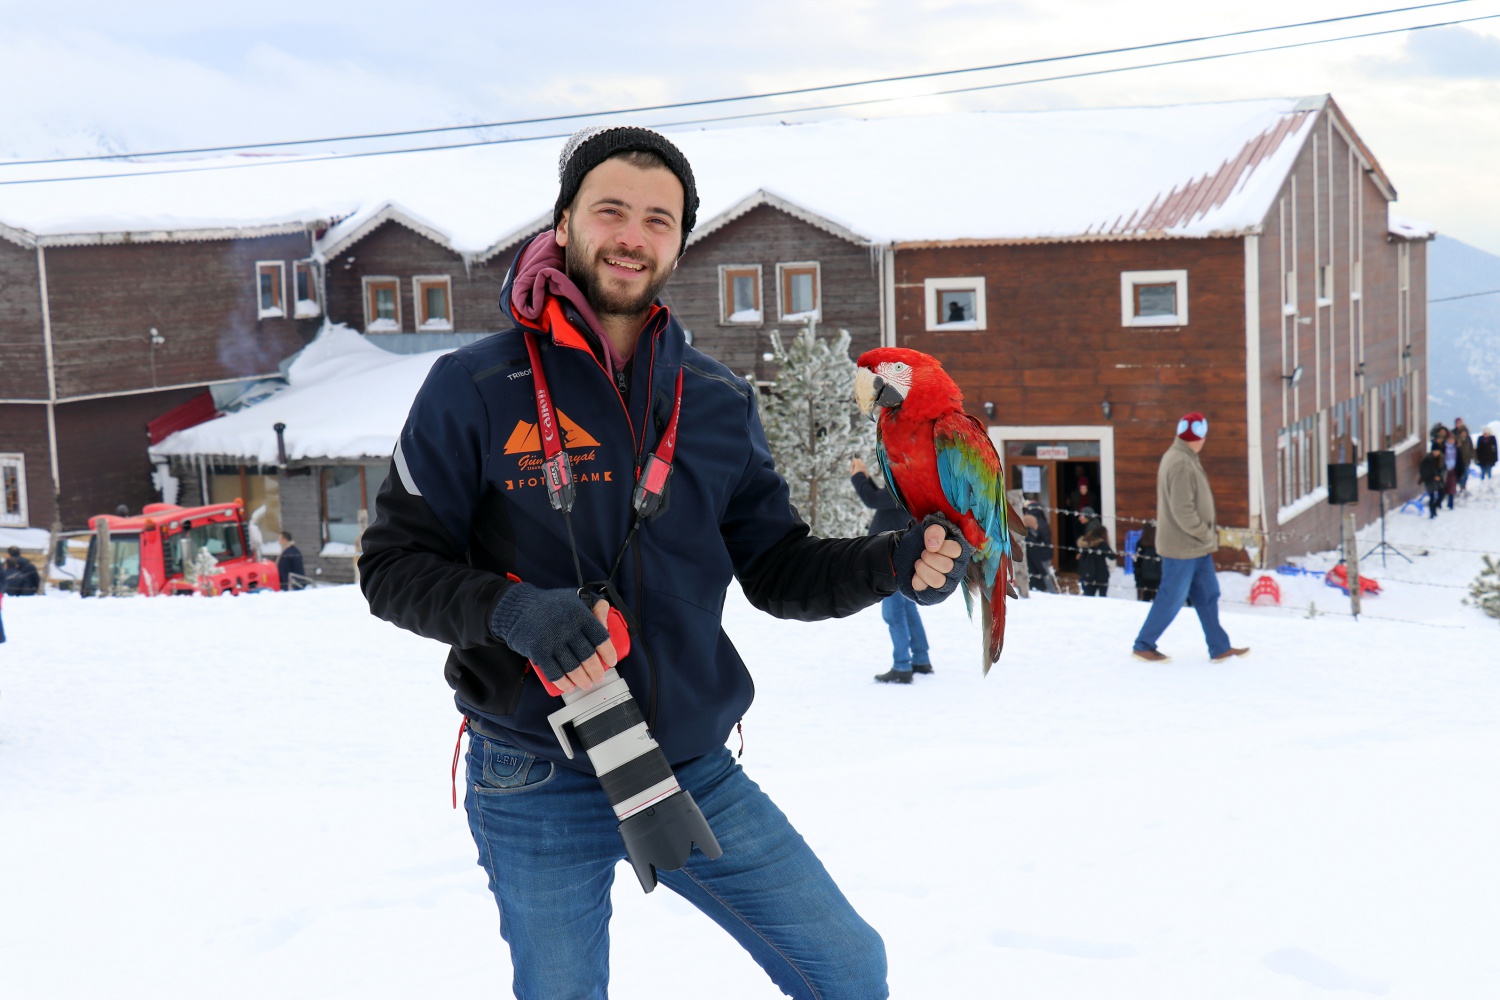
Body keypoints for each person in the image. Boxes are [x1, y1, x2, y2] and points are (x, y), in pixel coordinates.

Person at [358, 125, 969, 1000]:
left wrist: (891, 563)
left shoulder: (715, 400)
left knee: (847, 966)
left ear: (680, 240)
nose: (632, 236)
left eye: (659, 218)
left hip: (689, 761)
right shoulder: (474, 387)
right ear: (565, 220)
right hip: (534, 769)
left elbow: (776, 567)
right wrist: (509, 611)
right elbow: (390, 565)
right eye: (610, 210)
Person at [1131, 413, 1249, 663]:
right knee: (1172, 598)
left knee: (1208, 593)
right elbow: (1183, 510)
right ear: (1201, 436)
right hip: (1182, 547)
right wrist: (1205, 533)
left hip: (1195, 547)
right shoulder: (1182, 463)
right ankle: (1143, 645)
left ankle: (1219, 647)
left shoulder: (1183, 456)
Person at [850, 457, 931, 684]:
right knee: (907, 609)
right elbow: (881, 498)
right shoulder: (911, 484)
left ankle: (902, 666)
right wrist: (865, 477)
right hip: (900, 555)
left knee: (893, 613)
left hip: (891, 559)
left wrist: (858, 476)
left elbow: (872, 499)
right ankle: (921, 659)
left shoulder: (905, 485)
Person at [1074, 507, 1114, 597]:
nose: (1079, 518)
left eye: (1081, 516)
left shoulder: (1091, 529)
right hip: (1100, 571)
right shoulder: (1093, 525)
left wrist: (1082, 551)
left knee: (1090, 595)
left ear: (1087, 516)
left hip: (1092, 569)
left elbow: (1090, 544)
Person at [1021, 500, 1054, 593]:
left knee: (1045, 574)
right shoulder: (1041, 522)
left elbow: (1044, 540)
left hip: (1042, 555)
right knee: (1044, 574)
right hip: (1043, 554)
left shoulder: (1038, 524)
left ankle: (1052, 592)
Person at [1133, 522, 1162, 602]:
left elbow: (1137, 562)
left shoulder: (1141, 543)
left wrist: (1137, 579)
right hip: (1158, 577)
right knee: (1158, 601)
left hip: (1144, 577)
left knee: (1145, 601)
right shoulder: (1159, 543)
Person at [1419, 442, 1447, 518]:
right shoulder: (1427, 459)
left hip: (1439, 479)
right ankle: (1432, 512)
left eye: (1438, 451)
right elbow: (1424, 471)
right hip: (1430, 480)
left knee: (1442, 493)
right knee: (1432, 497)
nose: (1436, 453)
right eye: (1435, 451)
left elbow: (1444, 469)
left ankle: (1436, 506)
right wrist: (1433, 476)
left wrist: (1440, 476)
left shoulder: (1442, 458)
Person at [1455, 421, 1476, 494]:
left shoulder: (1468, 439)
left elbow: (1471, 447)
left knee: (1466, 473)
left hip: (1467, 459)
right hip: (1459, 460)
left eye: (1465, 432)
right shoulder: (1457, 440)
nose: (1464, 434)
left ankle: (1463, 485)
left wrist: (1472, 456)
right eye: (1462, 433)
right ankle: (1461, 485)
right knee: (1461, 474)